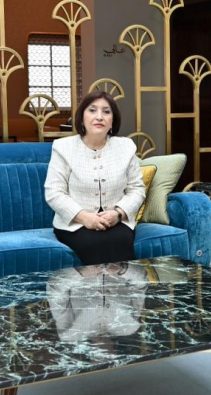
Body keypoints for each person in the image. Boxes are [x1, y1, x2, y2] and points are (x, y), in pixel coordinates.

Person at [45, 90, 146, 265]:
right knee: (93, 243)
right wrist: (84, 217)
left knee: (120, 240)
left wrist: (118, 214)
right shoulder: (63, 147)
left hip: (116, 222)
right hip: (75, 224)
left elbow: (137, 189)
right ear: (82, 117)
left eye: (106, 112)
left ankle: (124, 284)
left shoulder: (126, 147)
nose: (99, 117)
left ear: (112, 120)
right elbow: (54, 193)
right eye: (92, 110)